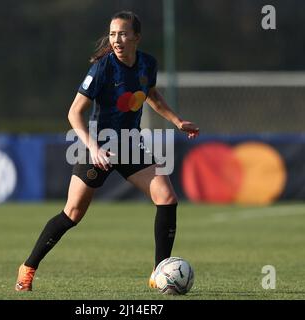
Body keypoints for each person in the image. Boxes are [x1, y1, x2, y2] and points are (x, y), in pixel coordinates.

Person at [15, 10, 199, 292]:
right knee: (72, 214)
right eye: (113, 34)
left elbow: (150, 94)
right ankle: (28, 268)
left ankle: (159, 272)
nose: (117, 39)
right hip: (97, 146)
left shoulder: (147, 63)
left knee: (167, 198)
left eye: (123, 33)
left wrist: (176, 120)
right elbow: (74, 113)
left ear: (137, 37)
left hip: (130, 144)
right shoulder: (102, 68)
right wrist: (95, 148)